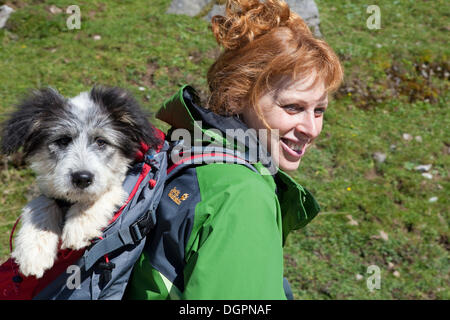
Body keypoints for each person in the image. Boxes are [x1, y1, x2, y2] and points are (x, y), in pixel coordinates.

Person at [125, 0, 343, 300]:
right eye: (293, 107)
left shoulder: (190, 150)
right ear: (239, 96)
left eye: (319, 110)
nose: (312, 128)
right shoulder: (242, 196)